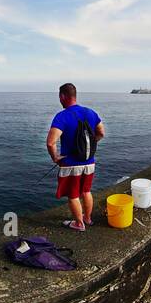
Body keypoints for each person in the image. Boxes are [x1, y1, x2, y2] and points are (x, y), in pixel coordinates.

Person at [47, 83, 105, 231]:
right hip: (89, 162)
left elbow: (50, 142)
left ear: (62, 96)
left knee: (73, 195)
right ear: (75, 95)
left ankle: (79, 224)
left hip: (71, 164)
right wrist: (90, 144)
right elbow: (101, 133)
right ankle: (87, 218)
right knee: (86, 191)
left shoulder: (62, 116)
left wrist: (55, 158)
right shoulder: (91, 112)